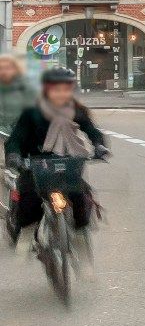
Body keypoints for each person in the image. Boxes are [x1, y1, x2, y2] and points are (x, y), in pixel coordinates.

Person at [8, 68, 106, 243]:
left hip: (66, 162)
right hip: (35, 162)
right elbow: (16, 138)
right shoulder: (32, 112)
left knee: (80, 197)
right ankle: (26, 233)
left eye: (66, 89)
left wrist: (99, 146)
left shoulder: (76, 110)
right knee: (30, 199)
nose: (62, 94)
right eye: (56, 89)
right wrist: (15, 155)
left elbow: (92, 131)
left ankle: (80, 236)